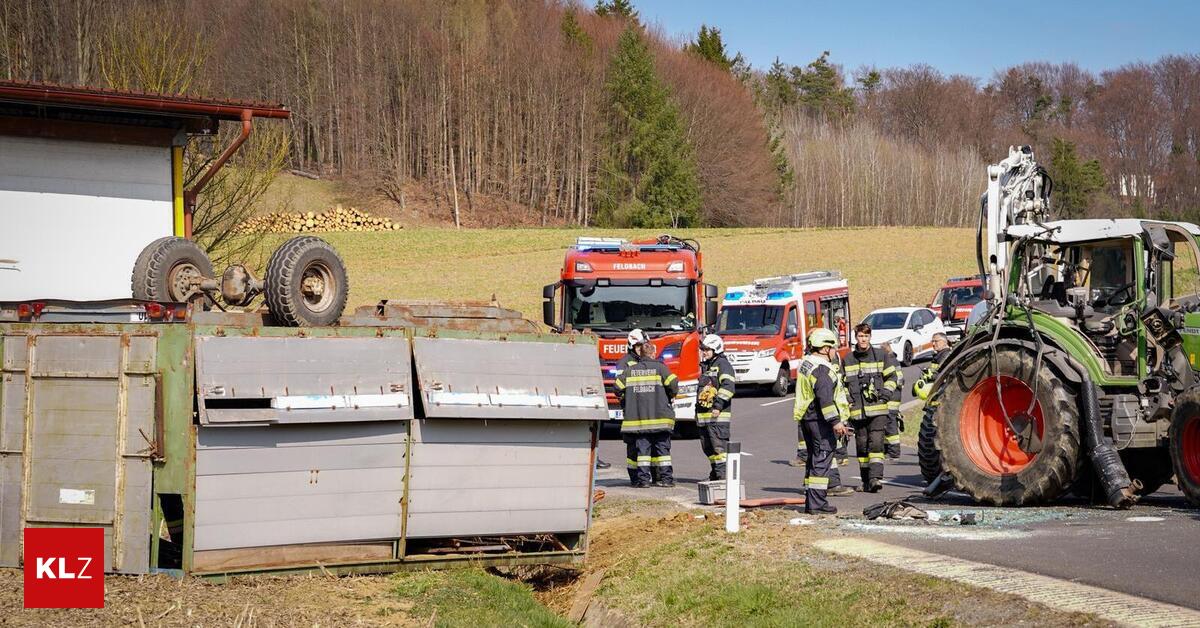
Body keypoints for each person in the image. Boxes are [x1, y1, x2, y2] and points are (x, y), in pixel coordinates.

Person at [794, 327, 852, 514]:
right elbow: (825, 400)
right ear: (826, 349)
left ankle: (812, 502)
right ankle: (817, 505)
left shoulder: (806, 363)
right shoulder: (822, 369)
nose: (835, 351)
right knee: (822, 460)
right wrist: (836, 422)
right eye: (833, 347)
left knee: (814, 459)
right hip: (820, 421)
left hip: (807, 418)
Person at [614, 329, 678, 488]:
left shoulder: (630, 370)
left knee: (643, 452)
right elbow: (674, 385)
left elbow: (617, 387)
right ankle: (666, 480)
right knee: (662, 451)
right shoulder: (661, 367)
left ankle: (643, 481)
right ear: (653, 354)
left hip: (638, 419)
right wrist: (668, 396)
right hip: (660, 418)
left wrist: (629, 400)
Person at [843, 322, 898, 493]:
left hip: (878, 409)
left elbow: (893, 377)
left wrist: (885, 395)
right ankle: (866, 481)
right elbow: (842, 384)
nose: (863, 339)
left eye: (866, 336)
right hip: (857, 412)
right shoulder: (848, 359)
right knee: (861, 445)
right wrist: (848, 399)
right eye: (860, 336)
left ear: (870, 337)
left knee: (875, 443)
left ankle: (875, 478)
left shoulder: (881, 355)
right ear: (856, 338)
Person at [696, 334, 735, 480]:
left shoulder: (723, 365)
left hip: (717, 417)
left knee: (719, 449)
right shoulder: (707, 366)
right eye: (703, 349)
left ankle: (722, 477)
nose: (704, 352)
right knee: (709, 449)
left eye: (707, 349)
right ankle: (715, 474)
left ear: (716, 349)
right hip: (705, 418)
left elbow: (728, 387)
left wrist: (718, 405)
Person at [912, 332, 951, 401]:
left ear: (944, 342)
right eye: (932, 341)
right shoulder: (940, 355)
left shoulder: (945, 355)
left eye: (936, 341)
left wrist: (931, 376)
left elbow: (946, 375)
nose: (933, 344)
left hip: (942, 393)